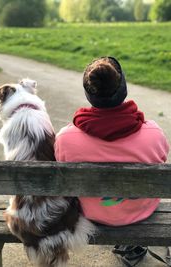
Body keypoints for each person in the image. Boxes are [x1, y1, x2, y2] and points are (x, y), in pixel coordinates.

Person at [54, 56, 170, 266]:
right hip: (141, 211)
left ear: (89, 94)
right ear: (123, 89)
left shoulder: (65, 139)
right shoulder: (154, 134)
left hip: (93, 213)